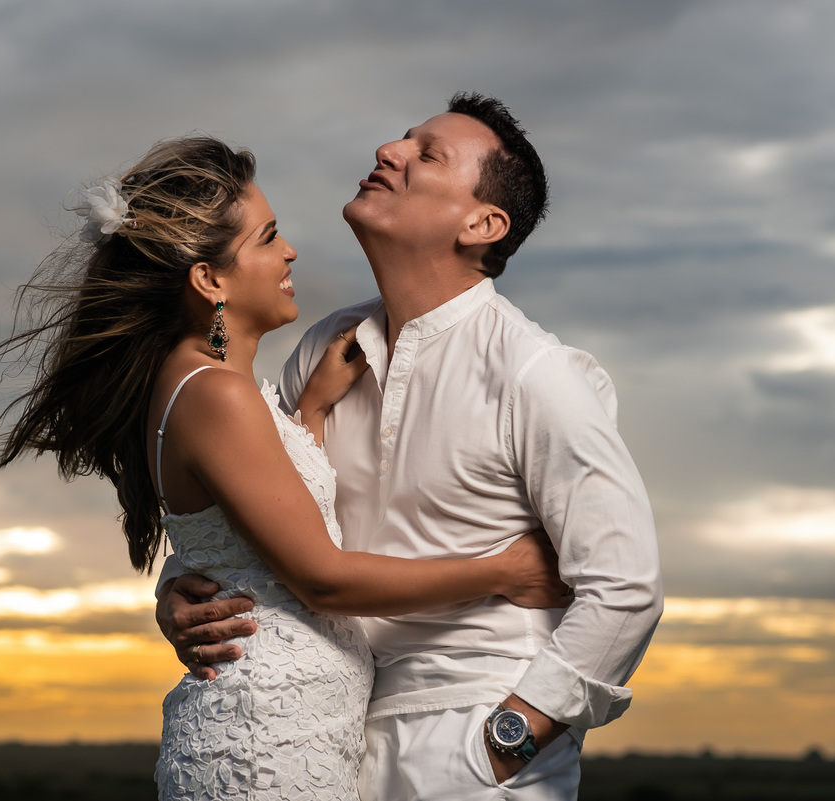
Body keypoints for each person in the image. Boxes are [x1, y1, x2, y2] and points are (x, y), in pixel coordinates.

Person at [0, 135, 570, 801]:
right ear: (209, 281)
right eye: (267, 238)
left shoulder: (213, 387)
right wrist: (504, 571)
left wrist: (310, 412)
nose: (288, 251)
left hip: (291, 732)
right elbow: (322, 578)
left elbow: (258, 529)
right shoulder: (216, 393)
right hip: (265, 744)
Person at [156, 94, 664, 800]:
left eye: (427, 154)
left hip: (474, 727)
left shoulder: (535, 372)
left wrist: (510, 739)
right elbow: (264, 515)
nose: (388, 152)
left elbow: (627, 585)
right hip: (335, 737)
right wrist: (179, 595)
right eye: (402, 139)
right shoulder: (325, 349)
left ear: (482, 224)